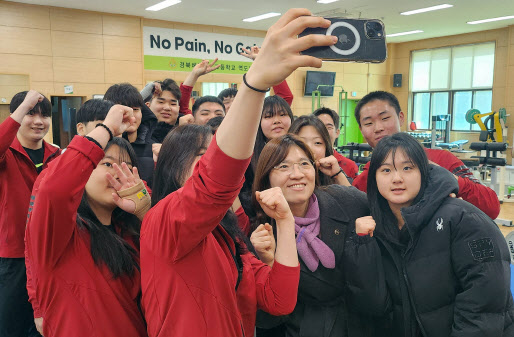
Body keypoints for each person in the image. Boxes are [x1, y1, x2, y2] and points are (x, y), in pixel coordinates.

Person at [140, 8, 338, 337]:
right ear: (174, 166)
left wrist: (286, 224)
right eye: (202, 159)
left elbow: (279, 300)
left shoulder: (230, 237)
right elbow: (216, 182)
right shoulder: (163, 223)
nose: (213, 167)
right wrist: (255, 83)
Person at [344, 132, 514, 337]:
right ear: (374, 178)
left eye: (407, 168)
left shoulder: (464, 220)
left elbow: (483, 310)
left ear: (424, 172)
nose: (397, 178)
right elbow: (374, 305)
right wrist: (362, 247)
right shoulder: (376, 228)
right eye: (386, 170)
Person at [25, 104, 151, 337]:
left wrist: (145, 214)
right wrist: (106, 128)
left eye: (127, 167)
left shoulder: (131, 231)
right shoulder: (61, 234)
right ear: (85, 170)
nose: (118, 173)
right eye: (107, 164)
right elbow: (55, 189)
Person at [250, 134, 369, 337]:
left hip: (366, 322)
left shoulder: (344, 199)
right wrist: (269, 263)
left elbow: (391, 211)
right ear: (266, 177)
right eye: (283, 166)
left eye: (304, 163)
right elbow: (267, 320)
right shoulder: (263, 234)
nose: (297, 174)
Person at [352, 90, 500, 220]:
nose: (378, 128)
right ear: (361, 129)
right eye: (369, 123)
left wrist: (445, 177)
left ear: (401, 118)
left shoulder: (442, 159)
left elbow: (492, 208)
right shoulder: (369, 174)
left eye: (385, 118)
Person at [0, 90, 60, 337]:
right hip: (13, 255)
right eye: (30, 113)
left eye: (44, 115)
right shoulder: (6, 153)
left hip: (49, 254)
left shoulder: (56, 155)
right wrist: (23, 104)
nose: (38, 121)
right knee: (11, 325)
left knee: (46, 325)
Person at [104, 83, 156, 186]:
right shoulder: (101, 147)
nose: (131, 115)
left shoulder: (155, 148)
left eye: (135, 109)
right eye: (123, 110)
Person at [289, 115, 352, 186]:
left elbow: (356, 197)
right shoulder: (281, 177)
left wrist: (338, 175)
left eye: (317, 143)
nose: (310, 149)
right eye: (302, 142)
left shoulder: (335, 180)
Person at [312, 107, 358, 180]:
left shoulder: (349, 166)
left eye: (328, 127)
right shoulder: (303, 163)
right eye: (318, 127)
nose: (323, 132)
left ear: (337, 132)